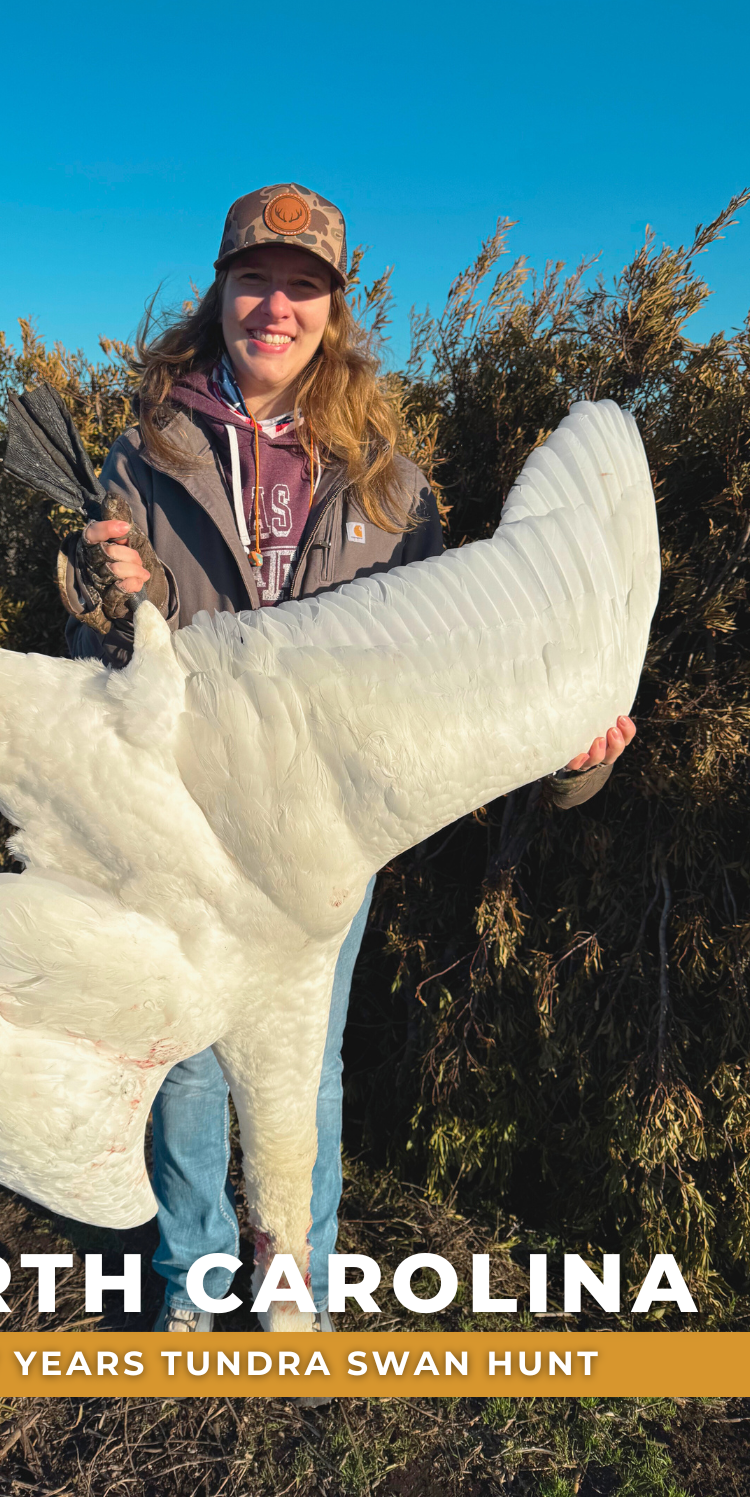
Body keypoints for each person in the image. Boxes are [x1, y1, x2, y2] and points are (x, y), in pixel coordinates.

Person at [58, 183, 635, 1332]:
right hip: (178, 811)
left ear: (334, 309)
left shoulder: (389, 480)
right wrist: (105, 594)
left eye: (303, 287)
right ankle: (193, 1285)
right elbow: (97, 638)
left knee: (299, 1062)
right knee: (183, 1059)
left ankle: (293, 1294)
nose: (276, 307)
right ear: (219, 291)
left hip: (320, 831)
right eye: (255, 280)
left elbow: (446, 665)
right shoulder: (143, 454)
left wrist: (575, 746)